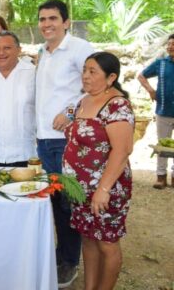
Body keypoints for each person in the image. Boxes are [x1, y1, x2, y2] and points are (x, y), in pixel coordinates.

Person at [35, 0, 94, 287]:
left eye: (53, 18)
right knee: (53, 201)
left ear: (66, 22)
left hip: (66, 140)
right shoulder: (43, 53)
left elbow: (99, 84)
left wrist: (71, 111)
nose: (47, 24)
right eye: (43, 19)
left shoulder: (81, 49)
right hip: (44, 141)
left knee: (68, 203)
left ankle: (69, 261)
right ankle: (58, 255)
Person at [63, 52, 134, 290]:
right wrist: (63, 116)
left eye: (93, 71)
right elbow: (70, 117)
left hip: (106, 189)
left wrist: (103, 189)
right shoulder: (84, 100)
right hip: (80, 190)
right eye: (85, 70)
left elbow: (122, 150)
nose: (85, 76)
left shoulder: (116, 105)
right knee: (89, 239)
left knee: (107, 243)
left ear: (111, 77)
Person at [0, 31, 35, 167]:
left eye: (7, 48)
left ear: (19, 50)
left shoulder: (33, 73)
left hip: (27, 155)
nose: (1, 53)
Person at [137, 33, 174, 189]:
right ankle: (161, 177)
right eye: (169, 44)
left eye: (173, 44)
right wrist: (151, 91)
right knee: (162, 145)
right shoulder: (161, 63)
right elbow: (141, 76)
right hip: (163, 110)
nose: (170, 47)